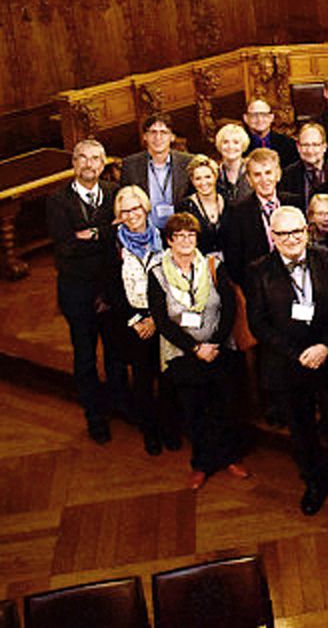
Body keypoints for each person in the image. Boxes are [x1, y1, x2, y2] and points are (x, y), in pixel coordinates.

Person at [247, 207, 328, 516]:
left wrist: (325, 346)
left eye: (297, 231)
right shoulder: (260, 270)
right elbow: (258, 323)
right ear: (273, 236)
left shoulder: (327, 258)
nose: (292, 239)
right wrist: (296, 353)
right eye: (284, 233)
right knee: (301, 429)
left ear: (307, 230)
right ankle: (314, 482)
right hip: (288, 364)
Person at [147, 212, 249, 491]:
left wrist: (213, 343)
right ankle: (202, 463)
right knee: (194, 410)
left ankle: (229, 457)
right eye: (179, 236)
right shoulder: (157, 273)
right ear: (169, 240)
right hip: (183, 354)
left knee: (224, 406)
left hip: (218, 349)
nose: (185, 241)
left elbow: (229, 307)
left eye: (190, 235)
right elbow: (161, 320)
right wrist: (194, 348)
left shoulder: (214, 266)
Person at [47, 139, 129, 444]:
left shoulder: (112, 193)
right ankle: (95, 415)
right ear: (73, 163)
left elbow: (115, 237)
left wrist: (89, 235)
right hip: (77, 292)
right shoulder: (57, 201)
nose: (89, 164)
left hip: (110, 289)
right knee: (84, 357)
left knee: (115, 352)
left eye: (95, 158)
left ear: (104, 162)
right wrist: (106, 232)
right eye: (82, 158)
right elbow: (66, 248)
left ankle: (121, 404)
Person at [110, 185, 179, 455]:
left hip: (164, 319)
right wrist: (137, 320)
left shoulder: (164, 238)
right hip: (134, 324)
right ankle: (149, 432)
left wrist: (156, 319)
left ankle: (169, 428)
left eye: (136, 208)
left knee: (168, 377)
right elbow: (111, 288)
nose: (131, 215)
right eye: (125, 211)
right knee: (142, 379)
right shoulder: (113, 244)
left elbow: (173, 282)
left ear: (145, 208)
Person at [121, 112, 193, 230]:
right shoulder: (130, 165)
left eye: (163, 132)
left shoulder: (187, 162)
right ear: (145, 136)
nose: (158, 138)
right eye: (153, 132)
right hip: (146, 233)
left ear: (172, 137)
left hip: (180, 232)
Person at [222, 148, 285, 285]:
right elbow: (234, 261)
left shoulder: (295, 203)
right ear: (249, 180)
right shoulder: (237, 212)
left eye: (268, 173)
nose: (264, 180)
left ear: (278, 174)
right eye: (257, 175)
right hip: (258, 286)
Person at [177, 155, 226, 257]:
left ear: (215, 176)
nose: (203, 183)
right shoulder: (185, 207)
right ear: (192, 181)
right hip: (199, 264)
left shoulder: (229, 203)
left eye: (208, 177)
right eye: (198, 178)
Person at [281, 122, 328, 213]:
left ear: (324, 147)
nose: (310, 150)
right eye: (305, 145)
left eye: (315, 145)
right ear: (298, 147)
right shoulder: (287, 175)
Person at [242, 98, 298, 168]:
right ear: (246, 118)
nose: (260, 119)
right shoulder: (239, 146)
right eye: (254, 115)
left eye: (264, 115)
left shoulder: (288, 145)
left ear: (271, 117)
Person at [214, 123, 254, 206]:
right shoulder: (214, 174)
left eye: (236, 142)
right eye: (225, 142)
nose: (230, 146)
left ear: (243, 146)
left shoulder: (253, 171)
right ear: (219, 145)